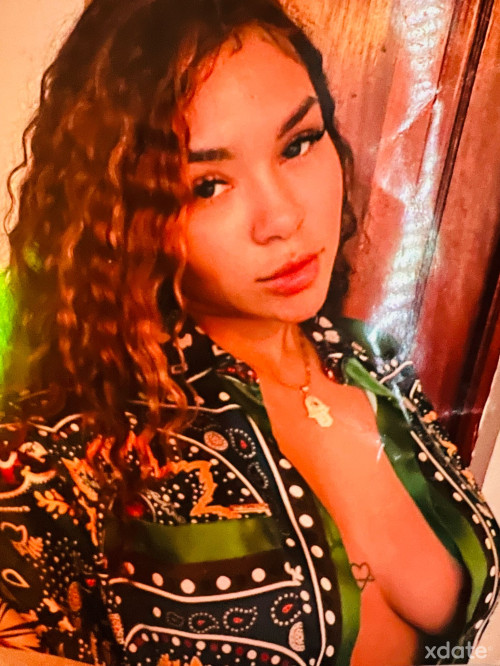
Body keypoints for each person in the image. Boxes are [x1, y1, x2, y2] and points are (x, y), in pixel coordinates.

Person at [0, 0, 498, 664]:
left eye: (298, 144)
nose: (282, 217)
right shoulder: (65, 449)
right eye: (208, 185)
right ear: (124, 217)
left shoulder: (373, 364)